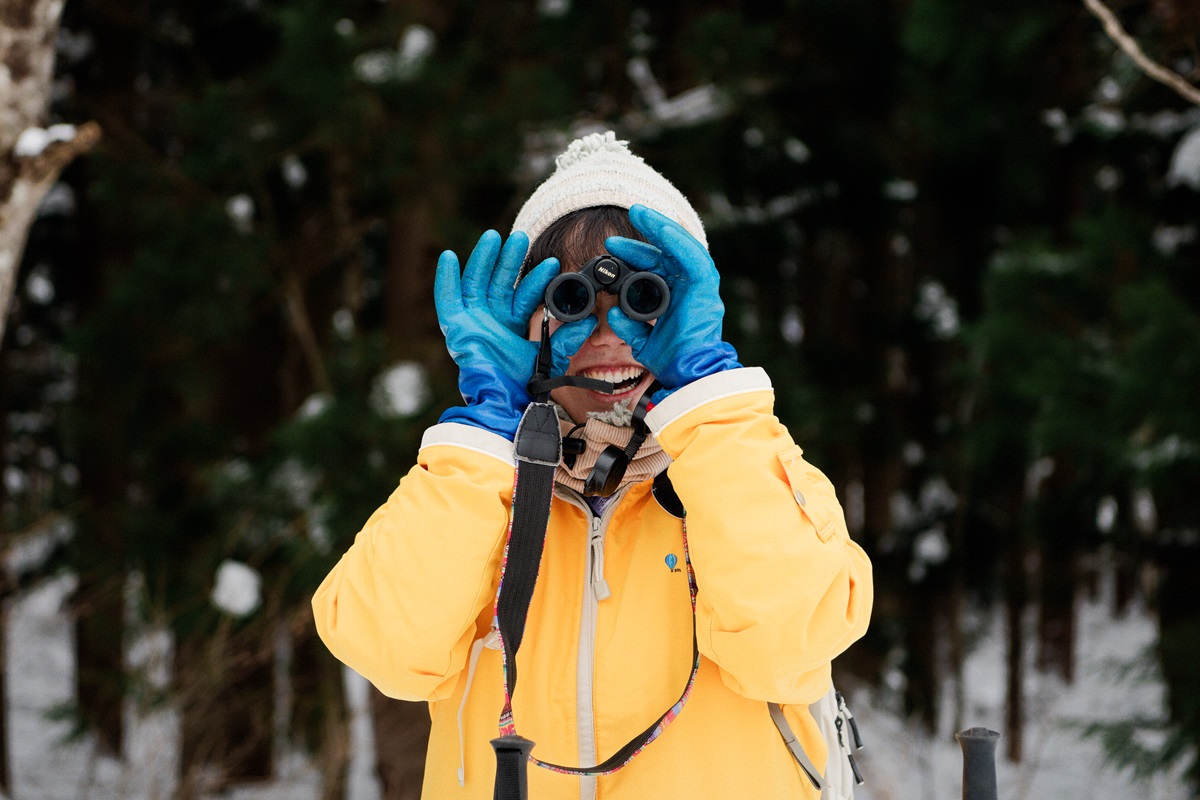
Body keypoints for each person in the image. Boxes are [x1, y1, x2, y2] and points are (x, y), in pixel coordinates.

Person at [312, 131, 873, 800]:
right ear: (526, 324)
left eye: (645, 300)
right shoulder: (475, 493)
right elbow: (386, 649)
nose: (608, 338)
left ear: (693, 309)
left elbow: (790, 643)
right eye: (572, 303)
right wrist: (491, 424)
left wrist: (705, 394)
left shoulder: (754, 468)